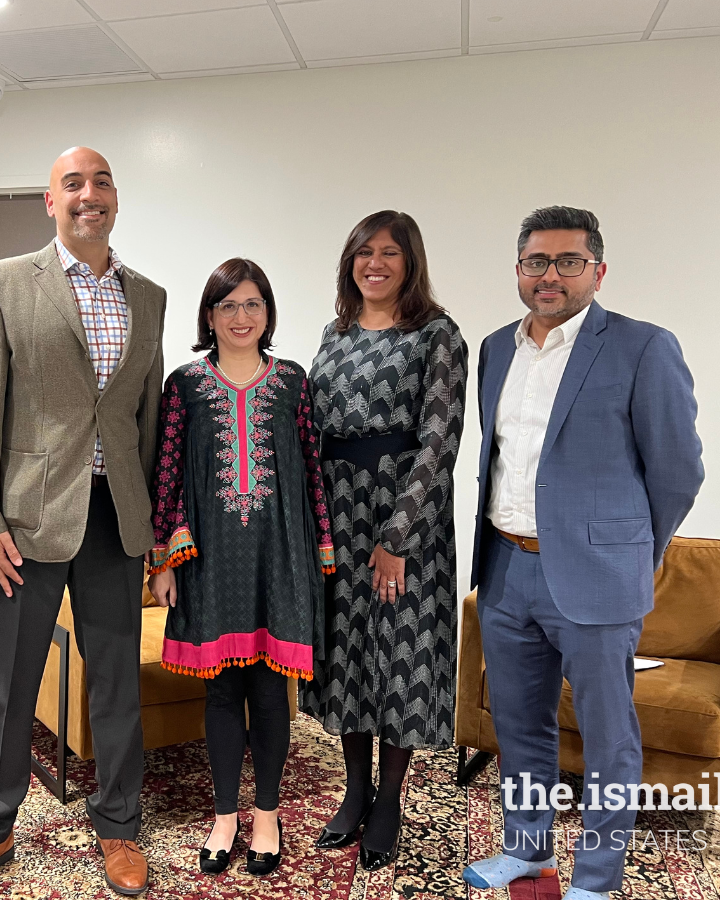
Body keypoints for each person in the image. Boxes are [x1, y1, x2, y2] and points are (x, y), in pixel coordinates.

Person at [0, 147, 167, 900]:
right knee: (6, 681)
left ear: (116, 201)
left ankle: (119, 827)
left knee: (116, 684)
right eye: (73, 184)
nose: (87, 196)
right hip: (22, 525)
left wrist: (155, 528)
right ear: (50, 200)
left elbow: (149, 418)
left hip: (115, 519)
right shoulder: (0, 283)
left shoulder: (148, 296)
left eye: (100, 184)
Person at [462, 207, 703, 900]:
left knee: (608, 738)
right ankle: (527, 850)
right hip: (506, 571)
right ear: (518, 270)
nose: (551, 276)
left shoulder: (642, 347)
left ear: (597, 270)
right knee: (519, 723)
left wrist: (628, 552)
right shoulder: (495, 349)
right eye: (536, 261)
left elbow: (677, 471)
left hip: (596, 579)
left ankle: (596, 880)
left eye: (569, 262)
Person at [147, 258, 334, 878]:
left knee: (269, 692)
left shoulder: (293, 382)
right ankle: (224, 814)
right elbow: (167, 473)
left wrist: (322, 549)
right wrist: (164, 560)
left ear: (268, 313)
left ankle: (267, 814)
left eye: (252, 304)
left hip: (279, 556)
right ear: (209, 315)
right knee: (222, 690)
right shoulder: (187, 385)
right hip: (209, 558)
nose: (240, 317)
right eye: (227, 305)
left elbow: (312, 470)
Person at [300, 210, 468, 871]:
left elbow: (439, 440)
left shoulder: (437, 334)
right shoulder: (334, 333)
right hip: (338, 518)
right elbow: (312, 426)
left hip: (406, 523)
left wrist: (398, 534)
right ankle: (356, 791)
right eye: (363, 252)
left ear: (410, 262)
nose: (375, 262)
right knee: (349, 657)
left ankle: (391, 798)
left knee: (397, 660)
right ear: (350, 262)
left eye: (389, 253)